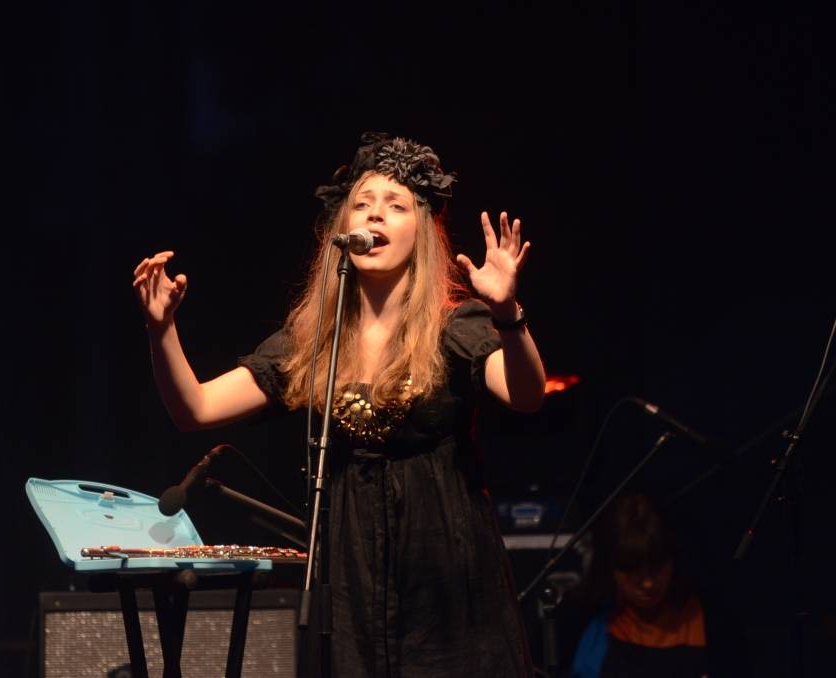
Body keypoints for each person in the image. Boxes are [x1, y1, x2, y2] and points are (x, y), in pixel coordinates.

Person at [133, 132, 546, 677]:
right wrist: (161, 330)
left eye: (395, 206)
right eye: (363, 203)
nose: (375, 215)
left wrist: (509, 316)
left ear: (422, 231)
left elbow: (526, 395)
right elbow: (196, 410)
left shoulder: (454, 327)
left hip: (445, 580)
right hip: (350, 579)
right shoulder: (313, 342)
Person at [566, 493, 746, 678]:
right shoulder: (586, 622)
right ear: (611, 566)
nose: (648, 583)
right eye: (632, 568)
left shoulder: (714, 621)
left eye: (657, 566)